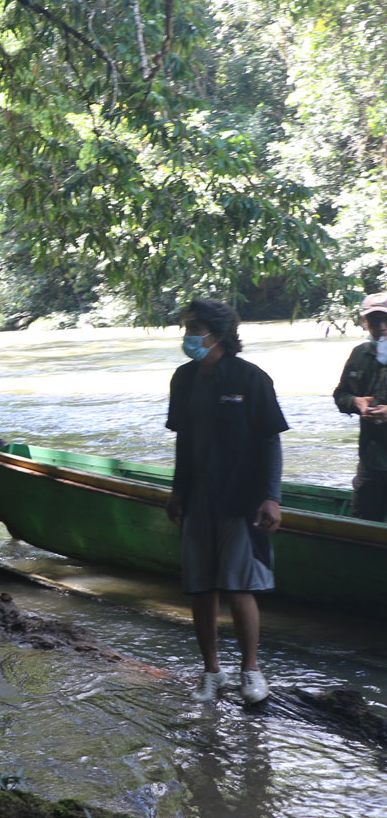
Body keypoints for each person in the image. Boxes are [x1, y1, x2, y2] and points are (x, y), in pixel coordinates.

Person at [165, 299, 286, 705]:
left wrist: (271, 497)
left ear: (218, 332)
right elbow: (183, 440)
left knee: (239, 586)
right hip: (197, 497)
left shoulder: (251, 378)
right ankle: (211, 673)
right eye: (186, 327)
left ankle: (251, 670)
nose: (189, 335)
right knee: (201, 586)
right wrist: (177, 491)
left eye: (195, 327)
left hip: (241, 498)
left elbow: (270, 441)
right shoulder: (183, 379)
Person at [332, 292, 387, 521]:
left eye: (386, 319)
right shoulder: (359, 355)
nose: (382, 326)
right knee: (362, 524)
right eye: (375, 321)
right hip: (372, 459)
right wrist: (356, 402)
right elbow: (340, 394)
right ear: (365, 323)